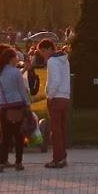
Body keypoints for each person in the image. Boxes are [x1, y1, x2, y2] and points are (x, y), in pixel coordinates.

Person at [0, 45, 31, 171]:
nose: (16, 59)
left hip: (4, 106)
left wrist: (0, 104)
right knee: (18, 135)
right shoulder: (15, 73)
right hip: (17, 105)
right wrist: (28, 103)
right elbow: (21, 89)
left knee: (5, 135)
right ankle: (18, 161)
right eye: (15, 57)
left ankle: (1, 161)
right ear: (11, 59)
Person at [39, 38, 70, 169]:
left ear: (50, 49)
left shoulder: (52, 61)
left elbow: (55, 80)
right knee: (61, 129)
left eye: (43, 51)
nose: (42, 54)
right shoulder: (64, 60)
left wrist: (50, 95)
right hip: (65, 97)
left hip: (56, 97)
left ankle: (57, 158)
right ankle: (62, 156)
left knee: (55, 130)